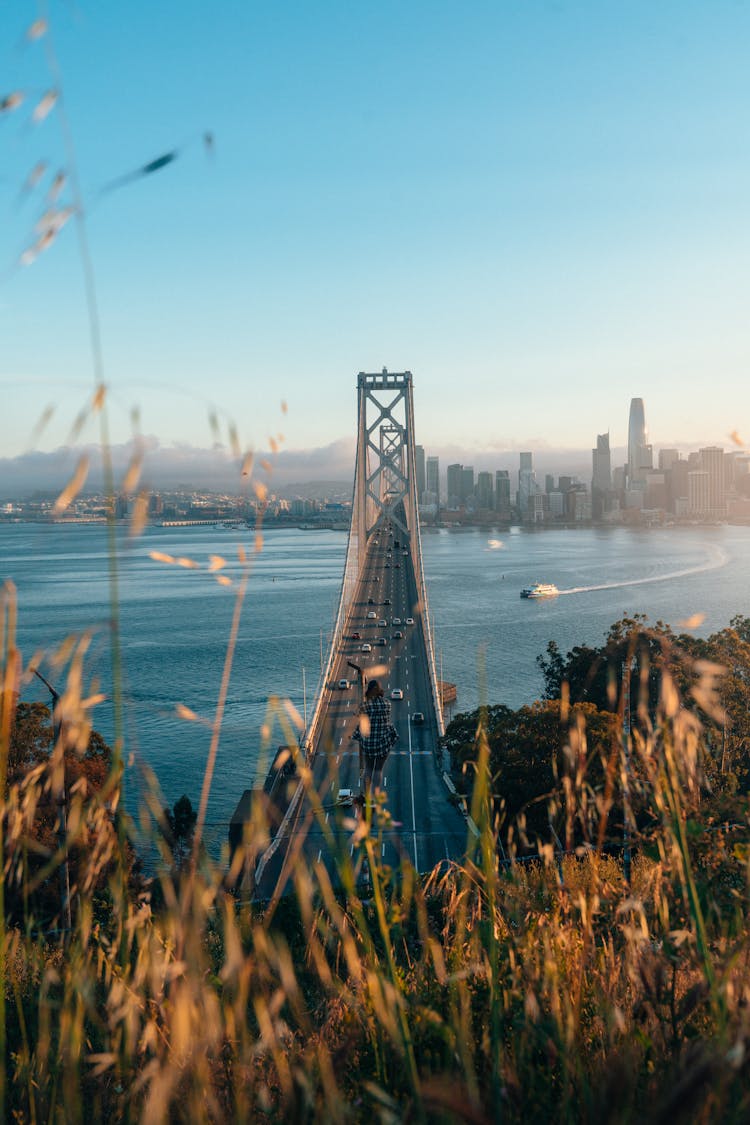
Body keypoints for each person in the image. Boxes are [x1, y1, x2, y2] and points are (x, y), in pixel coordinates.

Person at [351, 678, 398, 798]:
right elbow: (385, 721)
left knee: (368, 769)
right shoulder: (387, 704)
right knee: (378, 770)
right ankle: (376, 794)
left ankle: (366, 795)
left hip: (369, 745)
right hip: (383, 743)